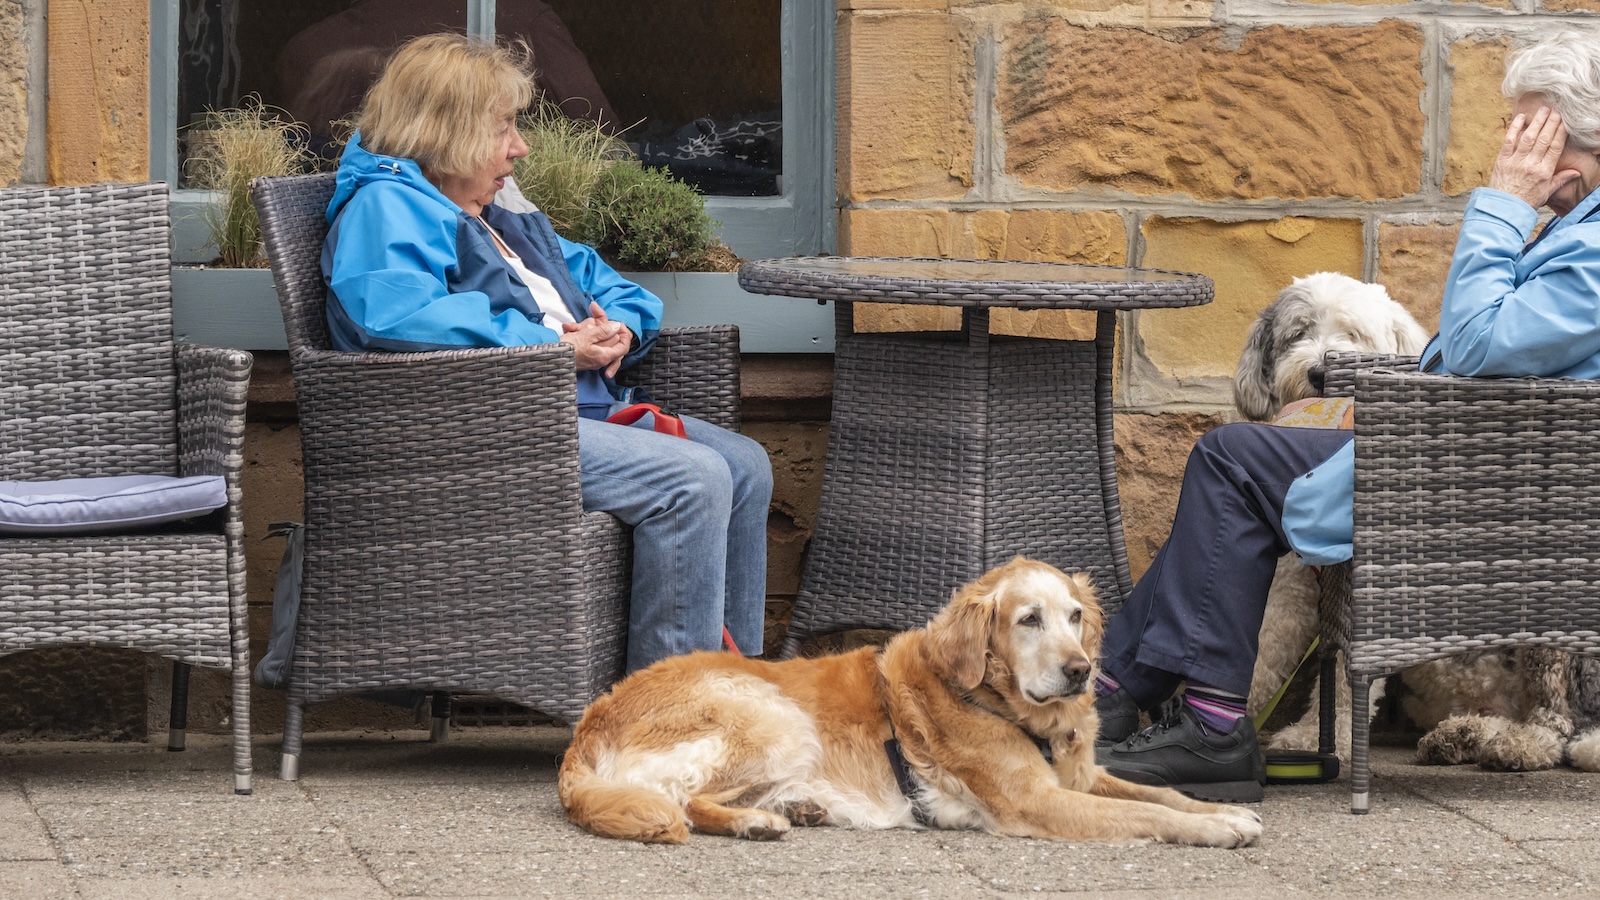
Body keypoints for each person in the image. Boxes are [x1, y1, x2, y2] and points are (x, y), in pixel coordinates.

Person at [1093, 29, 1600, 803]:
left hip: (1463, 486)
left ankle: (1201, 722)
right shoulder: (1577, 232)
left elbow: (1468, 346)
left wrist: (1500, 202)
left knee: (1231, 458)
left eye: (1538, 134)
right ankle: (1116, 699)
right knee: (1247, 454)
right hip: (1452, 452)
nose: (1520, 153)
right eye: (1517, 135)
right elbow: (1494, 365)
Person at [321, 33, 772, 674]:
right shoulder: (386, 207)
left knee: (745, 464)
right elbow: (395, 314)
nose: (520, 146)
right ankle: (669, 705)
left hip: (562, 412)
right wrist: (555, 347)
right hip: (476, 433)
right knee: (691, 477)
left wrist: (620, 328)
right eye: (504, 127)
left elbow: (593, 275)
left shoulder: (494, 208)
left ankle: (734, 682)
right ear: (445, 132)